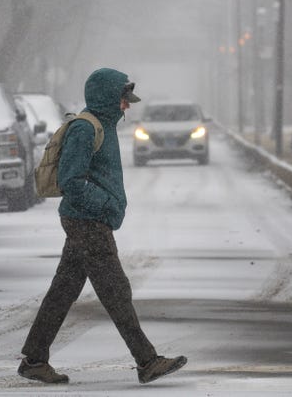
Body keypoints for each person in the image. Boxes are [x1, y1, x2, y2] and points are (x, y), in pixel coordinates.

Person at [18, 67, 187, 385]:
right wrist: (106, 204)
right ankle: (147, 361)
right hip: (86, 221)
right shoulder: (85, 129)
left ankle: (35, 360)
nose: (127, 106)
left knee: (63, 290)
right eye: (124, 100)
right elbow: (71, 180)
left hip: (87, 219)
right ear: (109, 97)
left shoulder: (101, 126)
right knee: (115, 290)